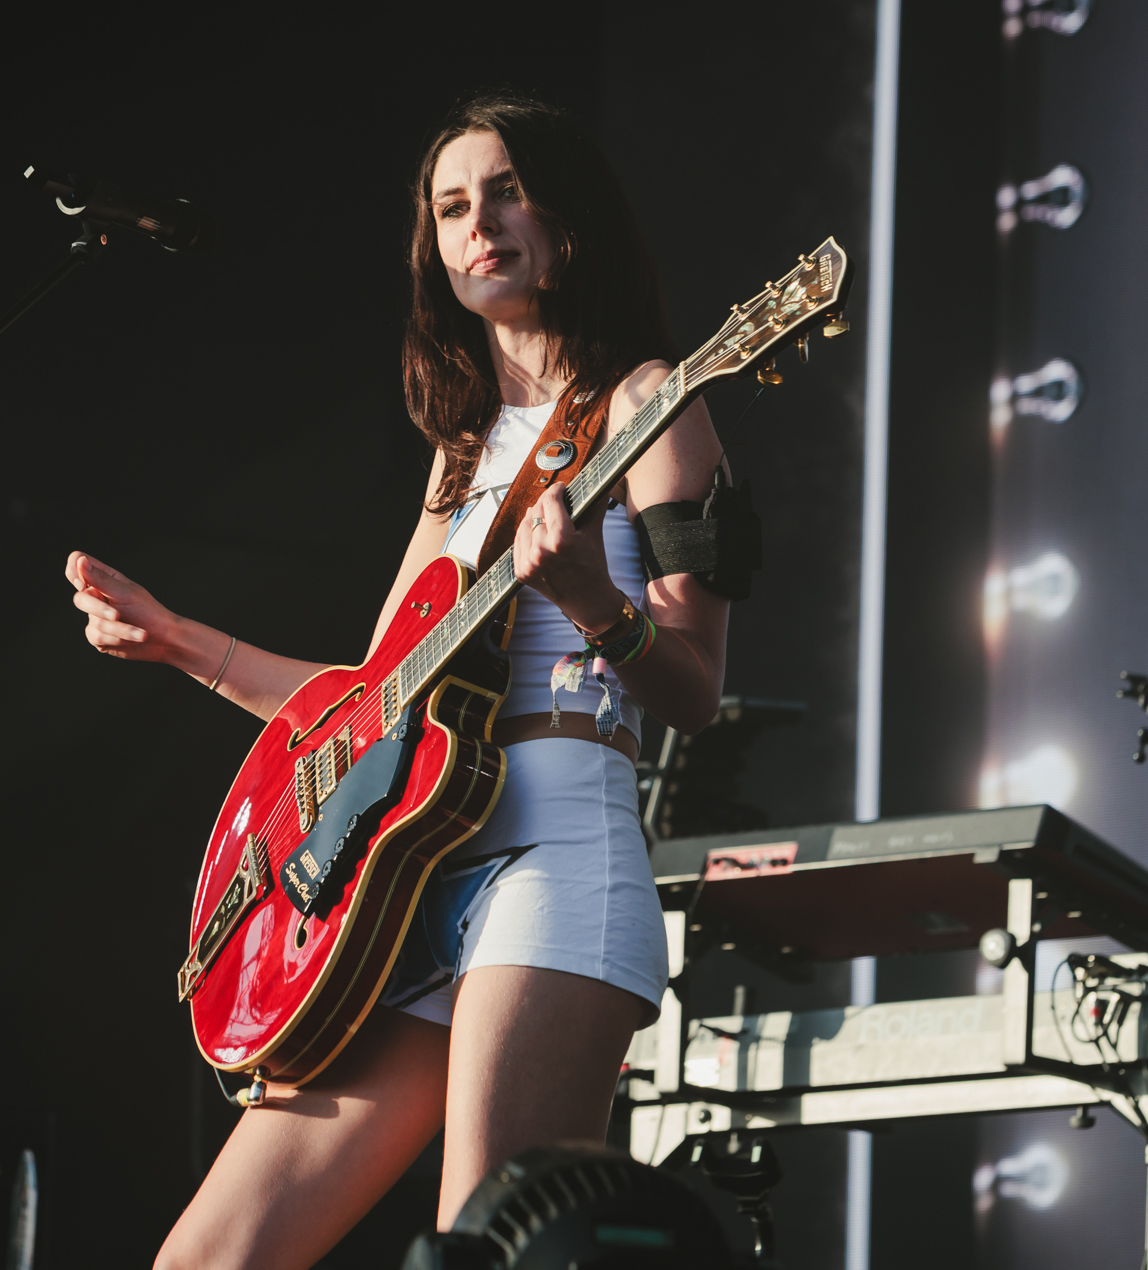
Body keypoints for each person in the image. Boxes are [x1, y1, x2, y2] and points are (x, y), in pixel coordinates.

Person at [66, 93, 730, 1270]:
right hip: (409, 876)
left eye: (506, 191)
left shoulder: (651, 406)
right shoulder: (459, 454)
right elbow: (376, 704)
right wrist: (180, 642)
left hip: (555, 859)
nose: (479, 223)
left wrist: (590, 598)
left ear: (566, 218)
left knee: (480, 1250)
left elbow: (692, 691)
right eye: (451, 205)